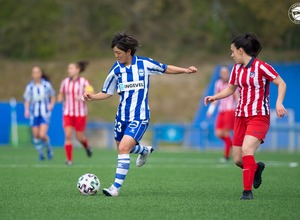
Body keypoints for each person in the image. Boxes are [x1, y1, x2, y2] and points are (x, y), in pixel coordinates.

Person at [83, 32, 197, 197]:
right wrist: (92, 97)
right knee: (122, 149)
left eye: (119, 53)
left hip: (140, 116)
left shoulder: (144, 64)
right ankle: (144, 150)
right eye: (114, 53)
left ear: (129, 52)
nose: (116, 56)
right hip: (121, 117)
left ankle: (115, 188)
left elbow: (166, 68)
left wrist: (186, 70)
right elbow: (106, 91)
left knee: (123, 148)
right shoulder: (116, 69)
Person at [204, 33, 287, 200]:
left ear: (241, 51)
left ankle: (247, 192)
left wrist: (279, 103)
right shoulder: (236, 69)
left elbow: (281, 83)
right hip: (240, 116)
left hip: (259, 116)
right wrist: (215, 97)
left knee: (247, 150)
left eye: (233, 51)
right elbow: (230, 89)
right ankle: (256, 168)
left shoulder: (262, 67)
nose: (231, 54)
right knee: (238, 160)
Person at [58, 61, 94, 165]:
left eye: (71, 68)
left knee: (79, 137)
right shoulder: (65, 82)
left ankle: (87, 147)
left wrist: (83, 96)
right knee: (68, 136)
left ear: (77, 70)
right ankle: (69, 160)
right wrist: (60, 98)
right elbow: (61, 93)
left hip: (80, 113)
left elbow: (91, 92)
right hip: (68, 113)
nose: (69, 70)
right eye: (68, 68)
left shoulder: (83, 81)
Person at [206, 66, 238, 162]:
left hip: (230, 110)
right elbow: (215, 97)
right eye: (222, 73)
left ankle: (226, 156)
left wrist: (238, 109)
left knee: (226, 133)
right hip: (221, 111)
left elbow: (237, 97)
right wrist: (210, 110)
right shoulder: (218, 83)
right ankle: (235, 147)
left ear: (228, 73)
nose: (224, 74)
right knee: (218, 133)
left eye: (225, 72)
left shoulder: (232, 83)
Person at [23, 66, 56, 160]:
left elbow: (53, 95)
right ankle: (41, 153)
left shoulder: (46, 85)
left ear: (41, 74)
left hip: (44, 113)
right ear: (32, 74)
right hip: (34, 114)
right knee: (36, 135)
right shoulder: (29, 86)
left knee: (42, 134)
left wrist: (51, 105)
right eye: (34, 72)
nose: (36, 74)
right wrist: (26, 110)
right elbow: (27, 99)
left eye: (38, 72)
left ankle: (49, 148)